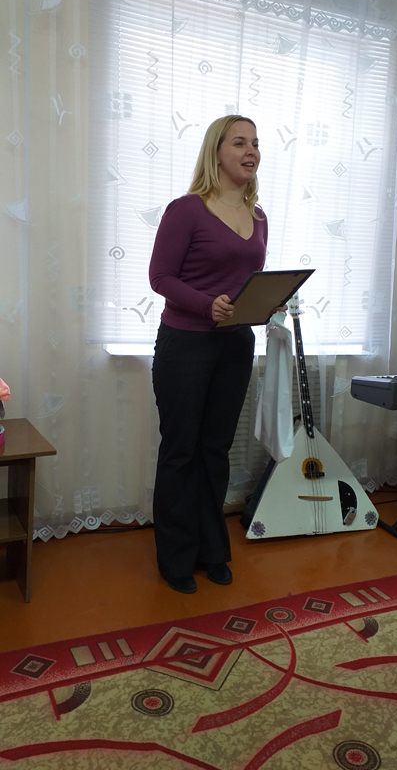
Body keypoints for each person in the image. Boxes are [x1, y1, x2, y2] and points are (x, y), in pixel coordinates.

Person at [149, 114, 269, 594]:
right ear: (216, 152)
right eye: (239, 142)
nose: (251, 150)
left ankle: (211, 550)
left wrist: (265, 302)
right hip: (186, 344)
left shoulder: (259, 217)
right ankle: (175, 557)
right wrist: (206, 305)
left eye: (255, 143)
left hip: (236, 345)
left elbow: (244, 282)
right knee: (181, 451)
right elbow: (160, 277)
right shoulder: (186, 210)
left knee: (214, 450)